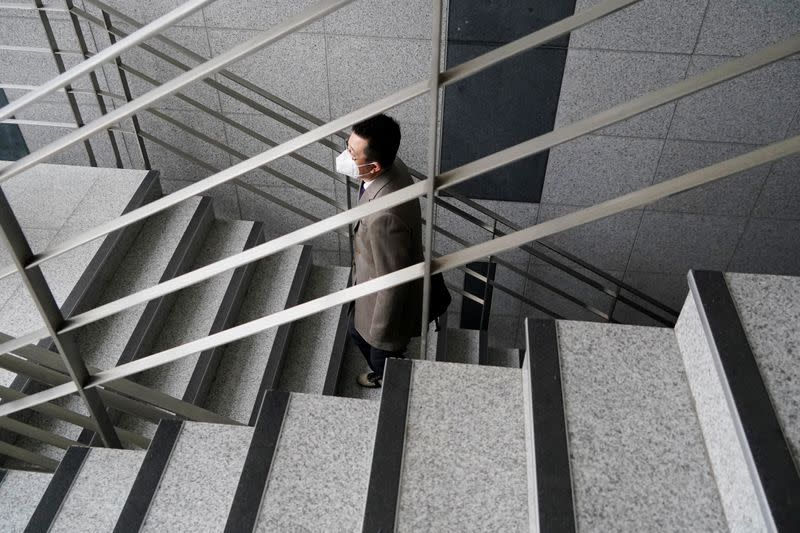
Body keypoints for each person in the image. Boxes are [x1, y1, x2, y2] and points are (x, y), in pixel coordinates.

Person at [336, 114, 424, 388]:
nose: (345, 156)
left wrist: (378, 337)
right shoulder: (393, 165)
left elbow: (391, 284)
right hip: (369, 281)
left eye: (352, 153)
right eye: (348, 146)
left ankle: (387, 378)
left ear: (373, 167)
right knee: (355, 329)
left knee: (363, 339)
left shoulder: (385, 217)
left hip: (380, 307)